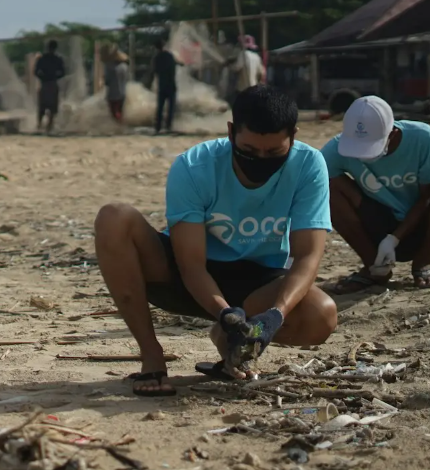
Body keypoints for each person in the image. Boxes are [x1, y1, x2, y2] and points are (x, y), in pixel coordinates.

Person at [94, 84, 337, 397]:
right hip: (187, 277)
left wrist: (273, 316)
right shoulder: (194, 167)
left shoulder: (308, 164)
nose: (260, 161)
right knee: (114, 217)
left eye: (274, 153)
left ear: (294, 135)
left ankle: (229, 342)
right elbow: (191, 265)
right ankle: (151, 355)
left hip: (257, 284)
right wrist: (225, 314)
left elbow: (307, 256)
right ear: (231, 131)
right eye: (249, 151)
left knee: (322, 316)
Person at [321, 95, 430, 291]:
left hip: (421, 222)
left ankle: (423, 263)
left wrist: (394, 238)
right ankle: (375, 268)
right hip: (378, 222)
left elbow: (426, 198)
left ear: (393, 134)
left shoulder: (424, 139)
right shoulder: (337, 149)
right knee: (324, 186)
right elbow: (307, 186)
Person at [34, 40, 66, 133]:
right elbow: (62, 72)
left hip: (46, 83)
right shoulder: (56, 59)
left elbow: (36, 72)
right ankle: (47, 126)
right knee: (50, 107)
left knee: (43, 106)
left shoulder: (43, 58)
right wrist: (54, 76)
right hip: (51, 83)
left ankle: (41, 125)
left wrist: (43, 77)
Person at [227, 35, 265, 103]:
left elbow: (237, 67)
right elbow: (262, 72)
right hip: (254, 86)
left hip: (243, 87)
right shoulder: (256, 57)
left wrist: (230, 66)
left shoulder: (243, 54)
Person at [152, 38, 178, 134]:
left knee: (160, 107)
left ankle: (158, 126)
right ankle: (168, 126)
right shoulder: (169, 56)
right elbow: (173, 70)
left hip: (161, 85)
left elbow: (155, 71)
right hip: (171, 84)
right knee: (170, 107)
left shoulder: (156, 58)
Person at [104, 48, 130, 123]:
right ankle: (120, 125)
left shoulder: (109, 67)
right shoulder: (125, 67)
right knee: (120, 111)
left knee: (114, 112)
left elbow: (107, 81)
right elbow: (127, 79)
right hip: (122, 93)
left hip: (113, 94)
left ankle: (118, 126)